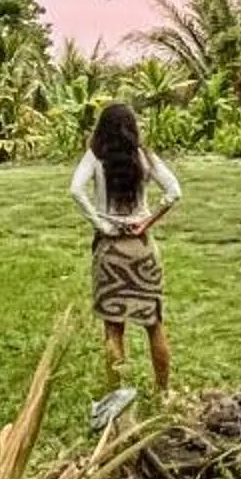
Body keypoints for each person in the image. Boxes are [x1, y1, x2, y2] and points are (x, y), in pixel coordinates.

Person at [71, 101, 180, 392]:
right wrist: (147, 223)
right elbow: (173, 191)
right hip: (142, 248)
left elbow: (76, 189)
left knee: (113, 327)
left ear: (102, 128)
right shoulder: (144, 156)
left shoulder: (95, 157)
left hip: (110, 251)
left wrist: (100, 223)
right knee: (154, 324)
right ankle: (163, 391)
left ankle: (118, 397)